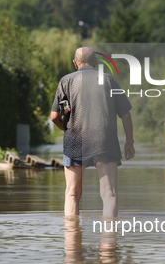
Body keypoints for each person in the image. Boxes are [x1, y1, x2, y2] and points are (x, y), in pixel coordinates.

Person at [50, 47, 135, 218]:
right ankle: (108, 242)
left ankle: (72, 241)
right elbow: (126, 115)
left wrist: (66, 130)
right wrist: (129, 143)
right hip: (105, 141)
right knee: (109, 194)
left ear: (75, 63)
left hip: (75, 140)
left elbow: (54, 117)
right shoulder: (109, 80)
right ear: (96, 63)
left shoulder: (66, 82)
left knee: (72, 194)